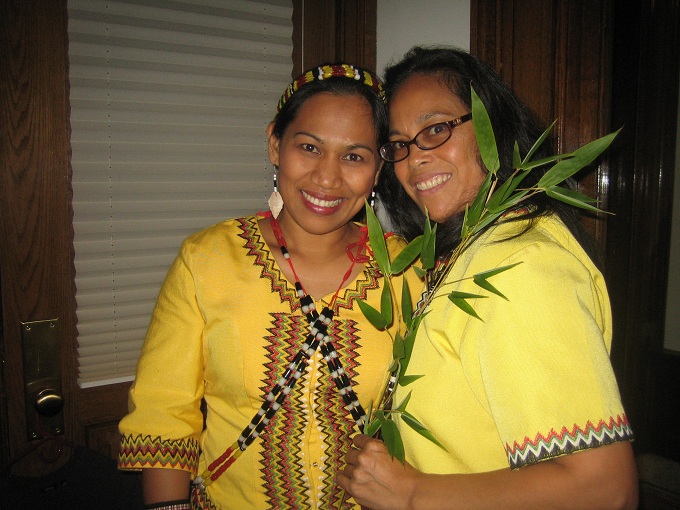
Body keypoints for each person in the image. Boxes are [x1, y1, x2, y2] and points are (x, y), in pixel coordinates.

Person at [337, 46, 638, 509]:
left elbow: (602, 487)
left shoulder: (524, 266)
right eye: (399, 144)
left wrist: (411, 492)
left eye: (435, 129)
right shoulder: (470, 251)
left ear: (489, 125)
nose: (413, 159)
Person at [117, 63, 419, 509]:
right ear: (275, 144)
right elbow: (165, 410)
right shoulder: (208, 260)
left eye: (354, 156)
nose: (327, 178)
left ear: (378, 170)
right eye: (309, 147)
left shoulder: (408, 269)